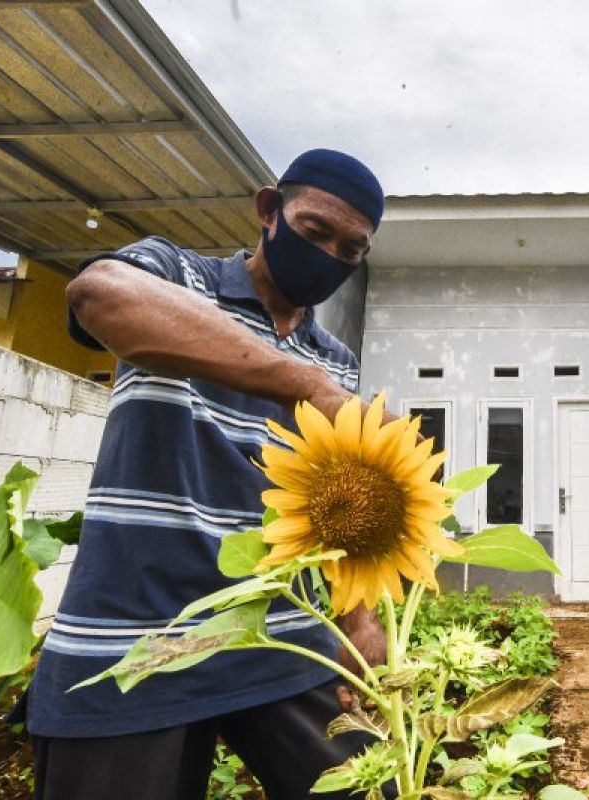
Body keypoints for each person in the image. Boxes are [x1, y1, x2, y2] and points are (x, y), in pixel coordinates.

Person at [24, 149, 397, 800]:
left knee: (374, 787)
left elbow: (335, 505)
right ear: (268, 211)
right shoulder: (176, 276)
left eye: (352, 249)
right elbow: (98, 296)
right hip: (134, 640)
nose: (332, 257)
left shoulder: (335, 359)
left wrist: (361, 621)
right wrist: (297, 383)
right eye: (316, 233)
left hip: (282, 637)